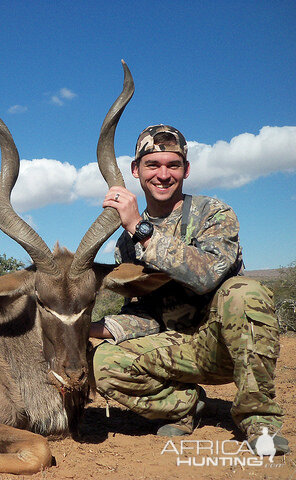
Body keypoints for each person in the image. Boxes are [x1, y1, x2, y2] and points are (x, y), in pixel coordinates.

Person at [89, 124, 289, 455]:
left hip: (226, 344)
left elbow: (208, 275)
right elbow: (147, 313)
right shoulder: (125, 245)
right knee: (101, 363)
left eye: (173, 165)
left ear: (186, 170)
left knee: (244, 292)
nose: (163, 174)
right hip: (176, 347)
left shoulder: (213, 213)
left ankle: (258, 420)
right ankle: (185, 406)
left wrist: (141, 229)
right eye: (153, 165)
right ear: (136, 170)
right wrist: (96, 328)